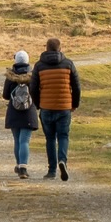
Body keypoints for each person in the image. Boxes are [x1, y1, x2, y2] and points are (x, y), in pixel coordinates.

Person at [33, 35, 81, 180]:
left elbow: (33, 88)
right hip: (64, 107)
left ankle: (52, 170)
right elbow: (77, 87)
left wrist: (38, 104)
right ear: (60, 48)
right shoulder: (68, 64)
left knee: (50, 139)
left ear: (46, 48)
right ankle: (62, 160)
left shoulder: (39, 66)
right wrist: (74, 104)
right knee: (63, 136)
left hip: (46, 108)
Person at [2, 50, 39, 176]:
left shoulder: (10, 76)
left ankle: (19, 165)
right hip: (29, 112)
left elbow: (6, 96)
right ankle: (23, 167)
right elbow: (37, 93)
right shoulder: (33, 76)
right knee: (25, 141)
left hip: (14, 111)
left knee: (17, 140)